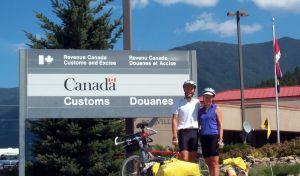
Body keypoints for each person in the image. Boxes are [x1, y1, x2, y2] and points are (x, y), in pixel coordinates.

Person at [171, 80, 200, 162]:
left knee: (193, 160)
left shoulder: (197, 102)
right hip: (183, 133)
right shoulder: (178, 102)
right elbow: (174, 119)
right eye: (187, 89)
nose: (189, 91)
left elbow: (201, 117)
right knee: (184, 159)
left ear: (194, 90)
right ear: (184, 90)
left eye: (191, 89)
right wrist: (174, 136)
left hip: (195, 132)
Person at [198, 87, 223, 176]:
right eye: (206, 97)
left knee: (214, 162)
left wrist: (220, 139)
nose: (208, 99)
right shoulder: (200, 111)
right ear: (203, 98)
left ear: (213, 98)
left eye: (210, 97)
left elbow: (220, 125)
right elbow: (198, 125)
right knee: (208, 161)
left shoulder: (216, 108)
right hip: (204, 137)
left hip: (213, 136)